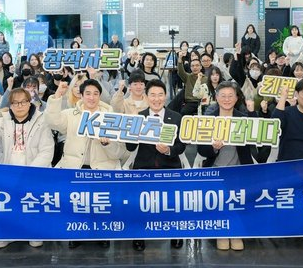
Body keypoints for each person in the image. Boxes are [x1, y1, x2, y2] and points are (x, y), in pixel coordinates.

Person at [45, 79, 127, 249]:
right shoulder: (70, 114)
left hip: (102, 168)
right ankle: (77, 234)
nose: (92, 97)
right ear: (81, 95)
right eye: (88, 93)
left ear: (100, 96)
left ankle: (102, 233)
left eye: (96, 93)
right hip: (75, 167)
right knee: (78, 203)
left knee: (100, 203)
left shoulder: (111, 118)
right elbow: (52, 121)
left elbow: (119, 153)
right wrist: (57, 95)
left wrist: (108, 144)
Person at [197, 81, 270, 251]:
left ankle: (236, 232)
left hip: (239, 168)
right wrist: (213, 148)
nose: (227, 99)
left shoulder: (243, 118)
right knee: (220, 201)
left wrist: (252, 113)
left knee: (238, 201)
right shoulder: (209, 120)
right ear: (216, 98)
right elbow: (201, 149)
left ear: (237, 98)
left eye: (231, 96)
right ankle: (222, 232)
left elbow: (258, 137)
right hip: (215, 169)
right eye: (223, 96)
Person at [0, 88, 54, 249]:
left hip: (33, 169)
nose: (19, 106)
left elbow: (47, 150)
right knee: (9, 204)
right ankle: (8, 234)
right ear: (10, 105)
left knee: (31, 203)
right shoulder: (2, 121)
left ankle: (34, 232)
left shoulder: (42, 121)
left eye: (23, 102)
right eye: (15, 103)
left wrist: (30, 171)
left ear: (29, 103)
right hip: (8, 169)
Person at [126, 79, 185, 251]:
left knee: (173, 203)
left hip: (170, 167)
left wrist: (169, 150)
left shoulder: (176, 117)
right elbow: (130, 147)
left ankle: (175, 233)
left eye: (160, 95)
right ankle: (139, 235)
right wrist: (133, 129)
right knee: (139, 204)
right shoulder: (139, 117)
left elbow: (181, 145)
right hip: (144, 167)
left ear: (165, 96)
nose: (156, 99)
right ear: (146, 97)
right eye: (152, 95)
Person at [177, 49, 207, 115]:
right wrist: (180, 58)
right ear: (190, 68)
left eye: (197, 65)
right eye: (192, 66)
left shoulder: (206, 79)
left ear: (201, 67)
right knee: (183, 112)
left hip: (203, 102)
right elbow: (180, 71)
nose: (195, 67)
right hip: (190, 102)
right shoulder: (187, 77)